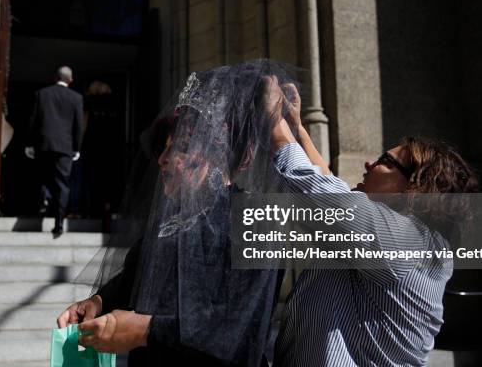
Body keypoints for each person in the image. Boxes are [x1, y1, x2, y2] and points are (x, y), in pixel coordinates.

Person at [56, 61, 294, 366]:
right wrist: (98, 301)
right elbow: (135, 276)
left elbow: (240, 330)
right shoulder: (173, 220)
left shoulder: (254, 221)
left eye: (180, 147)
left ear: (218, 155)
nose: (163, 160)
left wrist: (146, 330)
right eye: (163, 148)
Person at [267, 77, 478, 366]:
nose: (369, 164)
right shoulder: (402, 237)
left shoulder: (410, 243)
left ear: (414, 187)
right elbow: (330, 184)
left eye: (385, 161)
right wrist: (297, 129)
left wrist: (274, 124)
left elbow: (325, 197)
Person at [26, 66, 84, 237]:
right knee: (62, 185)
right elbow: (78, 126)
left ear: (55, 77)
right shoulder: (76, 98)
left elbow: (32, 120)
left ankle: (45, 196)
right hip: (65, 147)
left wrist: (30, 144)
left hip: (44, 144)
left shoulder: (41, 94)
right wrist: (76, 147)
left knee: (43, 175)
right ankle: (58, 225)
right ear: (70, 80)